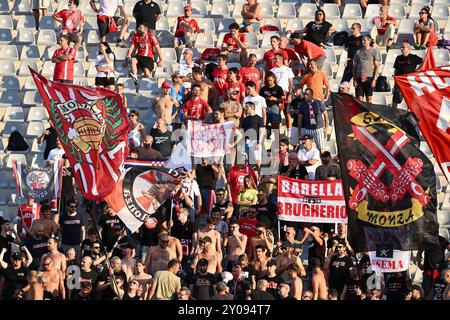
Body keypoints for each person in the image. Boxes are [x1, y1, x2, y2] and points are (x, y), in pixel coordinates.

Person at [392, 42, 423, 110]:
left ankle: (410, 114)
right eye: (401, 47)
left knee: (410, 100)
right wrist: (395, 81)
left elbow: (424, 61)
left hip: (409, 82)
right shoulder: (398, 58)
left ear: (408, 48)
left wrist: (418, 70)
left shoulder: (413, 57)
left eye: (403, 47)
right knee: (395, 99)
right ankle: (392, 113)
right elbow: (396, 70)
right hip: (400, 82)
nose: (401, 49)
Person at [298, 88, 328, 154]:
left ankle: (323, 163)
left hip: (318, 128)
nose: (305, 96)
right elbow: (300, 118)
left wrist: (326, 127)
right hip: (308, 129)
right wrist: (299, 131)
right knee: (307, 148)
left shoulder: (318, 103)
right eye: (304, 94)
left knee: (321, 149)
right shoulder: (302, 105)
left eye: (307, 94)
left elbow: (326, 115)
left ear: (312, 95)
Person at [353, 35, 381, 103]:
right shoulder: (358, 52)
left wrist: (374, 79)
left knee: (369, 98)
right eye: (362, 40)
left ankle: (369, 113)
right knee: (359, 99)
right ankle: (362, 113)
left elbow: (377, 66)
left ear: (369, 41)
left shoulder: (374, 51)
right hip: (359, 77)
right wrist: (354, 79)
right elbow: (354, 67)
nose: (362, 41)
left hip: (370, 77)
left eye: (364, 40)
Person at [260, 72, 284, 140]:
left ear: (274, 79)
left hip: (275, 107)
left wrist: (274, 98)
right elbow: (260, 99)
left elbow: (282, 100)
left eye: (270, 80)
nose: (269, 82)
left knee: (276, 128)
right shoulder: (263, 89)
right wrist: (266, 98)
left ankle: (276, 145)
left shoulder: (278, 88)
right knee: (263, 126)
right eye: (267, 81)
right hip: (265, 108)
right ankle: (269, 130)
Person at [241, 102, 265, 170]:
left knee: (257, 160)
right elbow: (242, 132)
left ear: (251, 108)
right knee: (247, 160)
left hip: (255, 141)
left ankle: (257, 178)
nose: (245, 108)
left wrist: (259, 143)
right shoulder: (245, 119)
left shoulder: (259, 118)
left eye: (247, 107)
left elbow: (261, 131)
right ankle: (250, 175)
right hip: (246, 142)